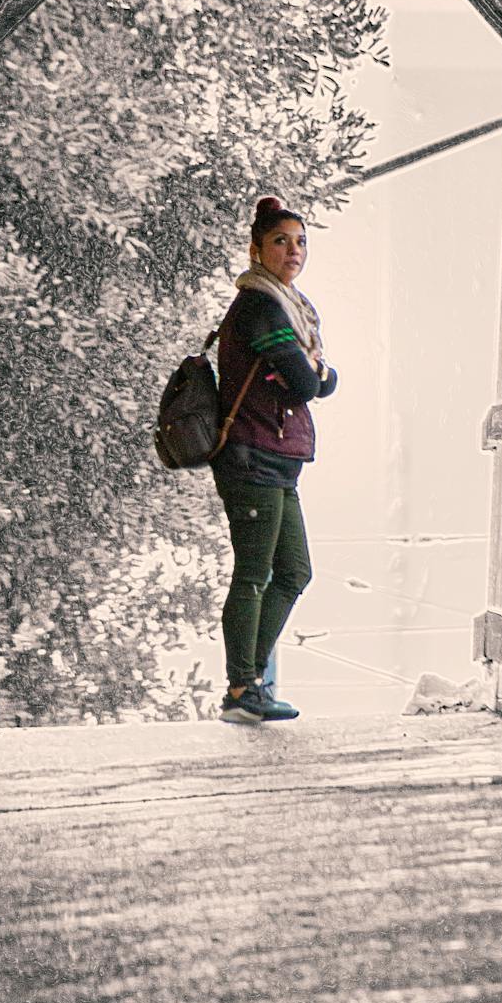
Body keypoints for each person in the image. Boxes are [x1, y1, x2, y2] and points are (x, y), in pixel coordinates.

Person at [211, 196, 338, 724]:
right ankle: (242, 688)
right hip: (252, 456)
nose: (293, 251)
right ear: (256, 249)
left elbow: (316, 378)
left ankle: (250, 682)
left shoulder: (289, 307)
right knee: (255, 572)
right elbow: (310, 382)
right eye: (281, 241)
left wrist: (314, 373)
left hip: (278, 460)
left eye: (300, 241)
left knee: (293, 570)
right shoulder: (260, 306)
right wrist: (315, 372)